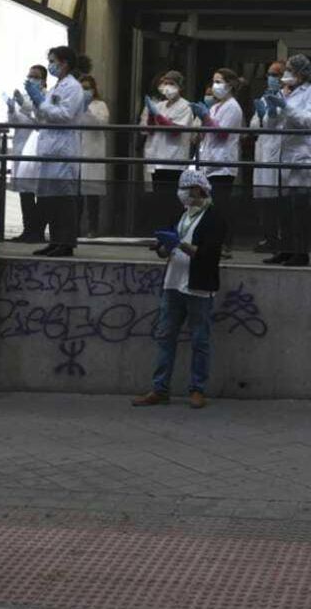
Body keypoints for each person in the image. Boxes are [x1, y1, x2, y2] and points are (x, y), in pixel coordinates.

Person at [132, 169, 229, 409]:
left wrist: (181, 244)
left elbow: (208, 254)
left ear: (198, 190)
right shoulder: (182, 215)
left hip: (198, 286)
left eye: (186, 190)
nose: (182, 195)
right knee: (165, 336)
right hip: (173, 283)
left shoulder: (214, 218)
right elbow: (169, 248)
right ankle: (160, 388)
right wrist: (163, 246)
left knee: (199, 340)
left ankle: (197, 389)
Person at [261, 54, 311, 266]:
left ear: (301, 73)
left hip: (300, 157)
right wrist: (270, 112)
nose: (286, 74)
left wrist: (285, 107)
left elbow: (307, 120)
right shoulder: (283, 91)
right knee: (284, 209)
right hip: (281, 156)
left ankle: (301, 252)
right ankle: (285, 250)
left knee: (300, 208)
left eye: (290, 70)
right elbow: (271, 126)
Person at [30, 45, 84, 257]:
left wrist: (42, 105)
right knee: (50, 199)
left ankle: (66, 242)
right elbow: (43, 116)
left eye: (53, 61)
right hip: (50, 149)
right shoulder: (56, 87)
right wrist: (36, 102)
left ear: (65, 63)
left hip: (63, 149)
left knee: (63, 199)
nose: (50, 65)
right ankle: (54, 240)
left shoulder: (73, 87)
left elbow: (65, 115)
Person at [140, 70, 198, 232]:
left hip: (174, 160)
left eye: (171, 84)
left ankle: (174, 233)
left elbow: (176, 131)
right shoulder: (159, 105)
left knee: (171, 201)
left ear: (180, 87)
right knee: (159, 201)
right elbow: (149, 130)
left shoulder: (185, 106)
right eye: (165, 83)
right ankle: (162, 234)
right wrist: (151, 114)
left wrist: (158, 116)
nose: (167, 87)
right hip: (157, 159)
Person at [196, 68, 243, 251]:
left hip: (223, 163)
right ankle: (212, 241)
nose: (215, 86)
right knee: (210, 206)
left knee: (221, 205)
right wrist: (203, 119)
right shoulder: (215, 107)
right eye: (214, 81)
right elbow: (207, 133)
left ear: (229, 85)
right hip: (209, 161)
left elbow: (222, 133)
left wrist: (206, 117)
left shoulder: (233, 107)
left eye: (219, 82)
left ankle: (225, 243)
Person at [5, 64, 49, 242]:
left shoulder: (46, 98)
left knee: (42, 194)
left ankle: (37, 231)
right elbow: (14, 122)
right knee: (25, 193)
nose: (32, 79)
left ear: (44, 81)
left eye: (36, 77)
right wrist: (11, 109)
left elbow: (41, 118)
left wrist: (24, 105)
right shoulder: (22, 97)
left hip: (38, 149)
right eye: (30, 76)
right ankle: (28, 230)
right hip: (21, 148)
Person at [249, 61, 287, 255]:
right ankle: (267, 236)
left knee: (276, 200)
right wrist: (262, 115)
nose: (272, 78)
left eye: (276, 74)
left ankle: (278, 238)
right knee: (263, 200)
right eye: (270, 74)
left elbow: (279, 122)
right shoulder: (264, 98)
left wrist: (271, 115)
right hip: (262, 151)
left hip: (276, 152)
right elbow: (254, 126)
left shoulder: (286, 97)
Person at [77, 73, 111, 238]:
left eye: (87, 88)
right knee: (76, 197)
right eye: (82, 88)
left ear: (93, 89)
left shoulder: (100, 105)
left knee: (92, 196)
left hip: (92, 154)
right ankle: (74, 228)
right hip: (77, 154)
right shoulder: (74, 105)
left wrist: (87, 110)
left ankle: (93, 228)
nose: (85, 91)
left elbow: (101, 123)